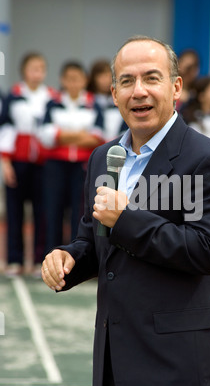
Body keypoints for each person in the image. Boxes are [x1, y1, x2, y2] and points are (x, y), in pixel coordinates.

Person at [41, 36, 210, 386]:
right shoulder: (104, 157)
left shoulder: (209, 160)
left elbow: (206, 251)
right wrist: (69, 258)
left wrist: (127, 218)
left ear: (176, 86)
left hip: (176, 376)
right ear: (113, 94)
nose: (140, 91)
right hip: (114, 371)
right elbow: (95, 238)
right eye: (127, 81)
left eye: (152, 78)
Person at [39, 61, 106, 254]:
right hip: (55, 166)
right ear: (62, 80)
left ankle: (76, 257)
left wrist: (62, 134)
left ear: (85, 80)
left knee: (80, 213)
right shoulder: (53, 103)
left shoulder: (93, 104)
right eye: (69, 79)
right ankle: (51, 256)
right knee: (53, 210)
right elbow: (46, 136)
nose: (73, 83)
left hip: (82, 167)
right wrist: (80, 134)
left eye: (77, 79)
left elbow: (97, 137)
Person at [0, 52, 56, 277]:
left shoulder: (51, 97)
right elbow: (5, 129)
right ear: (24, 71)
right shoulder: (13, 96)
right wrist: (5, 163)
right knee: (14, 212)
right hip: (18, 161)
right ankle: (14, 259)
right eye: (33, 68)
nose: (37, 73)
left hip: (43, 163)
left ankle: (38, 260)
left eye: (41, 68)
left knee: (41, 212)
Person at [87, 59, 127, 140]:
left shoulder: (119, 102)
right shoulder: (86, 101)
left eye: (109, 76)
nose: (106, 80)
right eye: (101, 76)